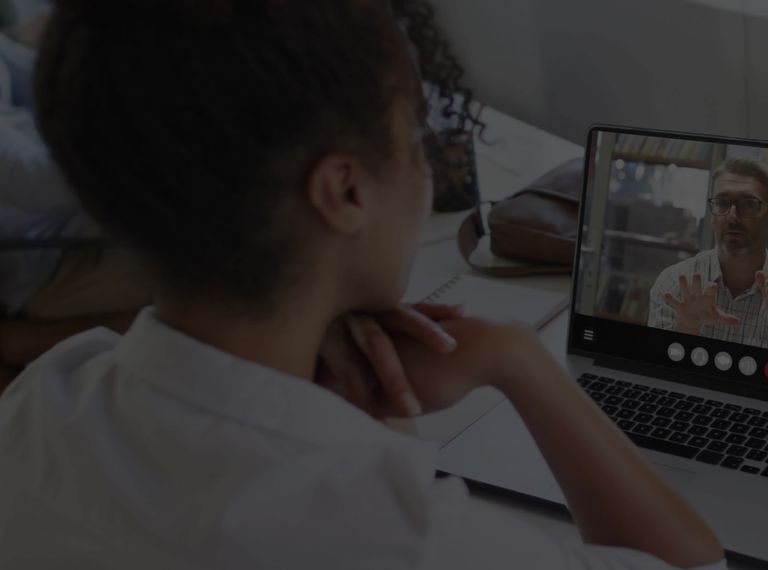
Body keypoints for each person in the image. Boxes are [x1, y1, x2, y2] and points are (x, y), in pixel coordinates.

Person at [0, 2, 726, 569]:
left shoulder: (41, 402)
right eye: (413, 144)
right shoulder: (384, 536)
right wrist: (517, 359)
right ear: (345, 191)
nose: (423, 172)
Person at [0, 6, 151, 319]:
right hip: (50, 262)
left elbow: (44, 82)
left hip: (76, 216)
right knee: (222, 270)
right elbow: (36, 182)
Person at [648, 156, 768, 357]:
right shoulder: (674, 286)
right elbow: (654, 371)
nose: (732, 217)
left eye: (749, 205)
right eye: (722, 203)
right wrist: (687, 327)